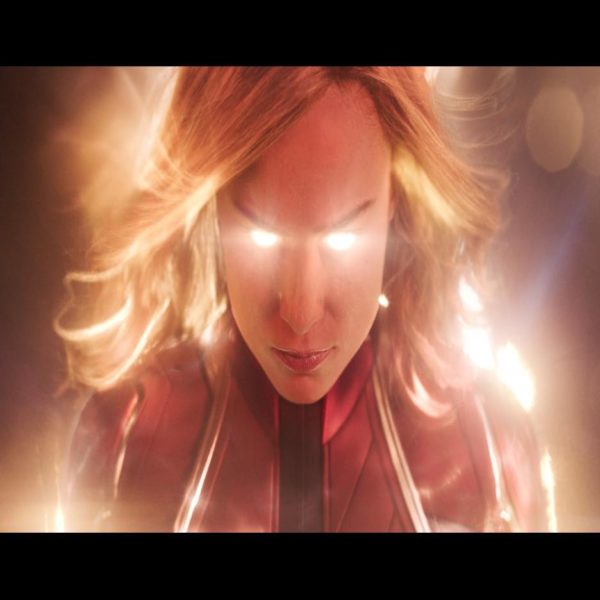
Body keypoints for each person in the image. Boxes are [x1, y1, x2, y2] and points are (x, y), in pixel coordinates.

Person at [54, 67, 550, 532]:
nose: (300, 312)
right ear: (213, 204)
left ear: (395, 195)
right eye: (262, 237)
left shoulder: (489, 451)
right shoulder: (123, 438)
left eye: (343, 239)